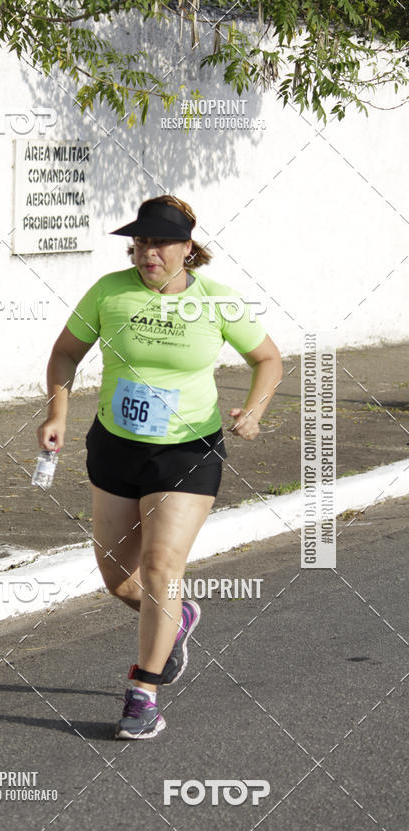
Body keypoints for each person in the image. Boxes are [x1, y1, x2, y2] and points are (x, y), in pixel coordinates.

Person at [37, 195, 282, 740]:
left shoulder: (218, 302)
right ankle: (181, 619)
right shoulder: (109, 291)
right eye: (141, 242)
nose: (148, 252)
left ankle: (142, 694)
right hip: (116, 448)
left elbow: (268, 359)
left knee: (160, 569)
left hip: (187, 451)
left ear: (187, 249)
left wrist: (255, 411)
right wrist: (57, 412)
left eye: (160, 243)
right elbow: (65, 354)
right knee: (118, 580)